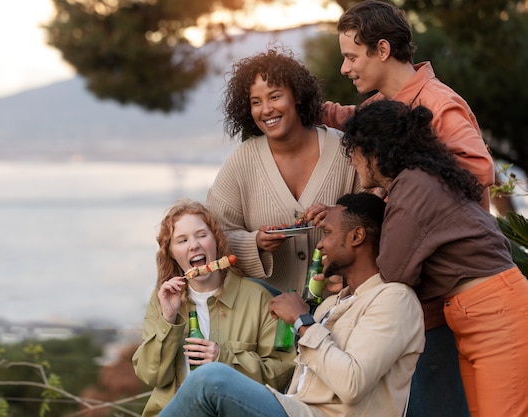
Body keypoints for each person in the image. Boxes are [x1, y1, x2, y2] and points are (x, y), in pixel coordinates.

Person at [158, 192, 425, 417]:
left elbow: (352, 383)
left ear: (356, 237)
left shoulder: (394, 299)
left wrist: (303, 322)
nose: (320, 244)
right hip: (295, 407)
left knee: (210, 380)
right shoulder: (332, 303)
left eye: (328, 233)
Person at [341, 99, 528, 417]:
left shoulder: (413, 189)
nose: (351, 159)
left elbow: (393, 274)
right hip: (479, 314)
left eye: (354, 150)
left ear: (374, 151)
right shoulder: (414, 182)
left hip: (496, 317)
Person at [206, 46, 361, 295]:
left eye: (275, 96)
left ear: (297, 95)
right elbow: (214, 234)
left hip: (342, 309)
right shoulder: (241, 161)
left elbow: (372, 222)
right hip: (267, 319)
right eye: (256, 102)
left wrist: (336, 216)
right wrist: (254, 242)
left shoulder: (344, 150)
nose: (266, 109)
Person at [320, 0, 494, 212]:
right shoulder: (383, 102)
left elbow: (481, 171)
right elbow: (349, 118)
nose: (344, 69)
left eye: (351, 58)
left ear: (383, 49)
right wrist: (304, 107)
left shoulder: (439, 104)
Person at [132, 199, 295, 417]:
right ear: (171, 252)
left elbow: (283, 370)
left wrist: (224, 357)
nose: (194, 245)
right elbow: (151, 375)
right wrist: (168, 320)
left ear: (216, 240)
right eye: (182, 240)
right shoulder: (162, 301)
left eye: (202, 235)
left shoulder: (259, 299)